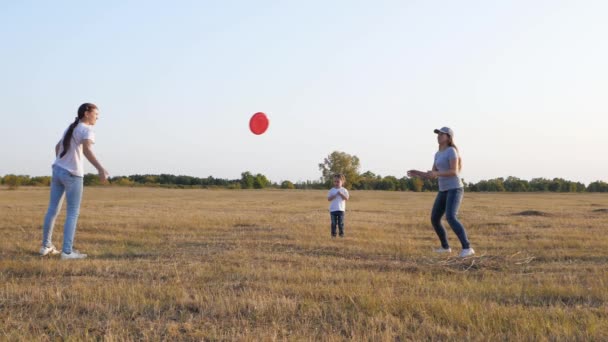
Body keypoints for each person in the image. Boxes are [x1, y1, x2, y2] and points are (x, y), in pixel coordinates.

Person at [40, 103, 109, 260]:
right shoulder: (86, 130)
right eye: (95, 113)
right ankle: (67, 252)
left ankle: (46, 246)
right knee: (72, 212)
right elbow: (86, 150)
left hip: (57, 170)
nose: (97, 117)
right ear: (86, 113)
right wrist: (100, 168)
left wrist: (62, 162)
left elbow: (57, 147)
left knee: (52, 210)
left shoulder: (71, 127)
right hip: (72, 174)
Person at [408, 127, 475, 258]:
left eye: (441, 134)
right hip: (443, 190)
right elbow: (431, 175)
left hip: (455, 189)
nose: (438, 136)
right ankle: (445, 247)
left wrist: (437, 173)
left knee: (451, 217)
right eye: (438, 134)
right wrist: (417, 173)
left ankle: (467, 248)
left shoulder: (451, 151)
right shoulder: (438, 154)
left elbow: (454, 171)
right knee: (434, 218)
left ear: (448, 137)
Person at [327, 173, 350, 238]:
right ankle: (333, 236)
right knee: (333, 223)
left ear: (342, 182)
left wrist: (341, 194)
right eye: (335, 181)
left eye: (338, 181)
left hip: (341, 210)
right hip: (333, 210)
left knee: (340, 223)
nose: (336, 183)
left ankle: (341, 235)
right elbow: (329, 199)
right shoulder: (332, 190)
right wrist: (334, 196)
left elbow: (346, 198)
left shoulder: (344, 190)